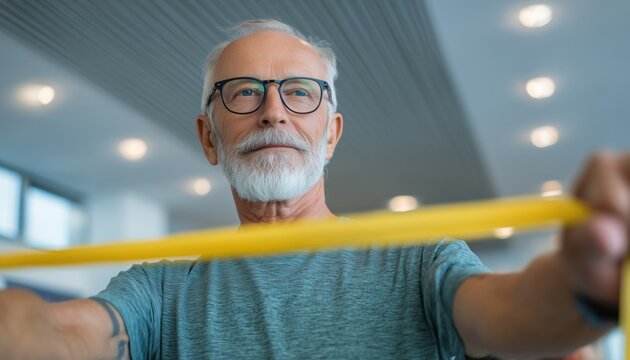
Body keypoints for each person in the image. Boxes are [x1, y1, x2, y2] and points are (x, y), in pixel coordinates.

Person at [0, 19, 628, 360]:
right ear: (209, 137)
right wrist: (14, 322)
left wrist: (583, 277)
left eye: (299, 92)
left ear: (330, 134)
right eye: (244, 92)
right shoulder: (160, 292)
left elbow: (513, 312)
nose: (273, 112)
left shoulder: (419, 264)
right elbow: (63, 337)